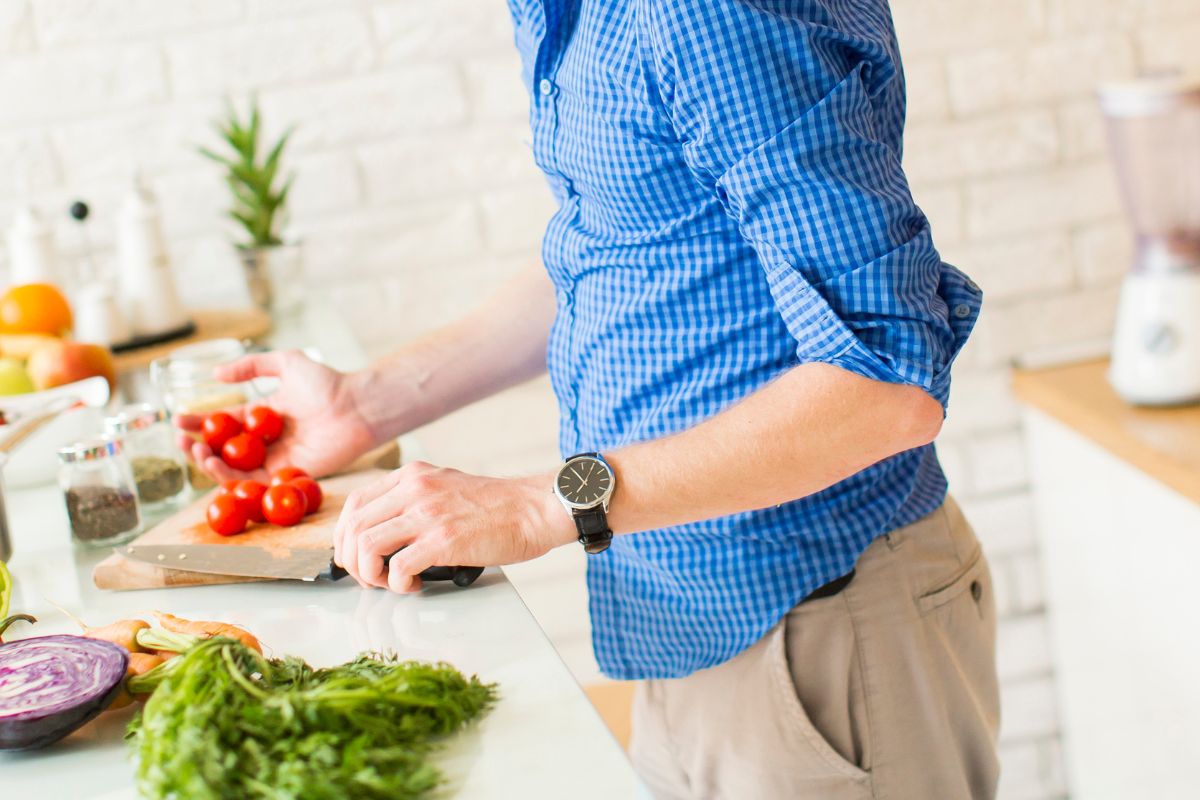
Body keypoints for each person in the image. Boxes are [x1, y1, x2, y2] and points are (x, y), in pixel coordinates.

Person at [181, 1, 999, 797]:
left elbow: (888, 384)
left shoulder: (712, 12)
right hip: (686, 617)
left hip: (822, 623)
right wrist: (366, 405)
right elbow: (626, 248)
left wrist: (547, 505)